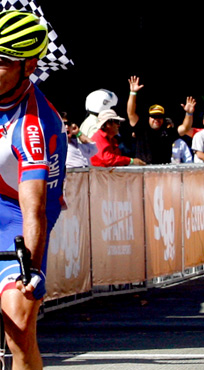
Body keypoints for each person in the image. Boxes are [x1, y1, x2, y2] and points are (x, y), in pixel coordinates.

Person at [0, 10, 67, 369]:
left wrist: (33, 270)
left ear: (28, 66)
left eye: (1, 62)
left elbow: (34, 207)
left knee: (19, 326)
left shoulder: (34, 124)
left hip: (15, 220)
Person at [127, 76, 196, 164]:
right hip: (142, 171)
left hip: (162, 172)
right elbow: (131, 113)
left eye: (159, 117)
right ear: (149, 118)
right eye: (153, 116)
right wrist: (133, 93)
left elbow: (185, 128)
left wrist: (189, 113)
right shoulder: (141, 127)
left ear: (163, 119)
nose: (156, 119)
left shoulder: (167, 131)